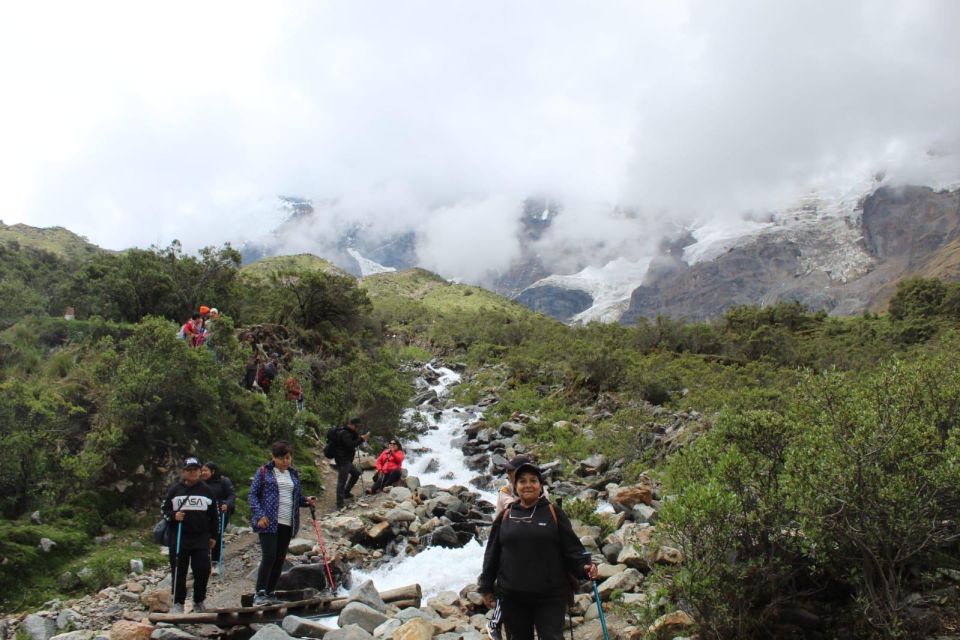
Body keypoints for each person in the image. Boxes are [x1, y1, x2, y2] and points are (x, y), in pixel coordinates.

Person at [478, 462, 599, 640]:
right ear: (515, 486)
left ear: (540, 485)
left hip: (550, 595)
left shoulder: (553, 513)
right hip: (512, 596)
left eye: (533, 480)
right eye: (522, 481)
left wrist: (585, 568)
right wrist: (486, 587)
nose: (528, 485)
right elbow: (492, 554)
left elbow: (572, 550)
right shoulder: (506, 515)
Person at [249, 441, 317, 606]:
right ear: (274, 457)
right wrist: (259, 514)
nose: (286, 461)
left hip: (287, 522)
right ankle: (260, 593)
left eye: (288, 458)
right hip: (268, 521)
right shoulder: (264, 472)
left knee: (280, 558)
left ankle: (271, 592)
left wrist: (306, 501)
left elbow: (296, 498)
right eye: (282, 458)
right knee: (269, 556)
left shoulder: (293, 475)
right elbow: (252, 495)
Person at [161, 457, 219, 614]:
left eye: (196, 469)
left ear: (200, 471)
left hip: (200, 537)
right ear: (183, 472)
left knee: (203, 569)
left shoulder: (207, 491)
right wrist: (174, 516)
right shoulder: (174, 490)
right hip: (179, 537)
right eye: (190, 470)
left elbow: (214, 515)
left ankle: (198, 600)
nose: (193, 472)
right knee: (179, 570)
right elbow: (164, 511)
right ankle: (178, 603)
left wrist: (214, 536)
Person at [200, 461, 236, 576]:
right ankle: (201, 562)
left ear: (213, 471)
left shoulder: (223, 481)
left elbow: (231, 495)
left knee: (217, 535)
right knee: (203, 535)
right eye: (202, 471)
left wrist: (227, 504)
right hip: (206, 512)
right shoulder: (201, 484)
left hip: (221, 511)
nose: (203, 473)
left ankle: (215, 562)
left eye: (205, 470)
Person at [331, 417, 368, 510]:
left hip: (347, 460)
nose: (357, 428)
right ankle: (339, 504)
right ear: (351, 424)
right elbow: (350, 445)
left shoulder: (348, 432)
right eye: (356, 426)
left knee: (356, 474)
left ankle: (346, 493)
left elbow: (352, 443)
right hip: (342, 460)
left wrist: (360, 438)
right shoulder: (344, 433)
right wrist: (361, 439)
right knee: (342, 481)